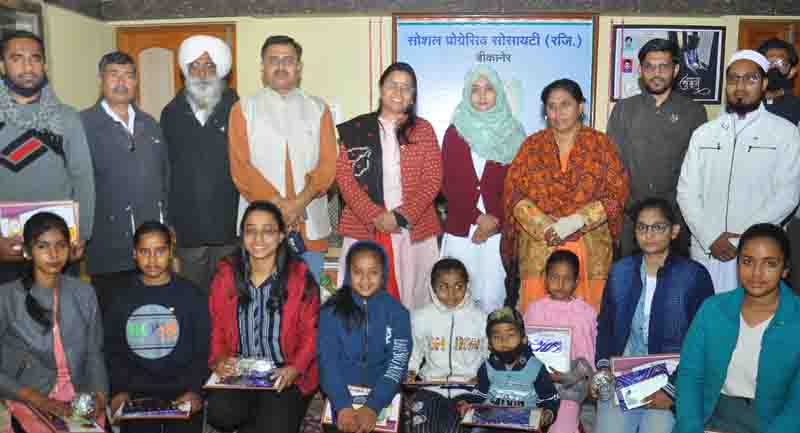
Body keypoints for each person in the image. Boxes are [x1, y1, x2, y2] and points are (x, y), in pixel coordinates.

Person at [677, 49, 800, 293]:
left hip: (757, 253)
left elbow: (788, 195)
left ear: (764, 83)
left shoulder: (785, 133)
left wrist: (742, 238)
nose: (740, 87)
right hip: (707, 249)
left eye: (750, 79)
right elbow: (686, 192)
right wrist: (710, 236)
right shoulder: (704, 133)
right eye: (733, 79)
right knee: (708, 320)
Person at [501, 78, 629, 312]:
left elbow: (617, 194)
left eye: (565, 105)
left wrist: (576, 221)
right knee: (538, 321)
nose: (558, 113)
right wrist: (545, 226)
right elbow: (514, 194)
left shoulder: (601, 145)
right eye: (552, 106)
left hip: (588, 248)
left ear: (581, 107)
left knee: (586, 322)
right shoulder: (532, 146)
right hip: (541, 245)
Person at [593, 197, 714, 433]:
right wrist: (604, 368)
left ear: (674, 231)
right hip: (623, 379)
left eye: (658, 227)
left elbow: (703, 342)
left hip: (670, 383)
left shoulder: (693, 277)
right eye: (642, 227)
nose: (649, 234)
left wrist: (672, 391)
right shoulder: (620, 272)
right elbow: (606, 325)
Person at [228, 35, 336, 282]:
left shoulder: (319, 108)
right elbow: (241, 168)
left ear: (298, 67)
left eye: (288, 60)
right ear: (263, 68)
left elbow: (329, 166)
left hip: (309, 229)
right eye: (273, 60)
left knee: (307, 308)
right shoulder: (244, 109)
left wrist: (298, 203)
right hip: (260, 230)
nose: (280, 66)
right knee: (263, 305)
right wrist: (280, 206)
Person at [206, 200, 319, 433]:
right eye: (251, 231)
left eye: (267, 231)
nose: (258, 239)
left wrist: (295, 369)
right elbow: (216, 326)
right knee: (220, 414)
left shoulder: (299, 276)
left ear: (281, 236)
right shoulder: (226, 274)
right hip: (242, 369)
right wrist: (219, 359)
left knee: (275, 426)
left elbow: (313, 333)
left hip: (284, 371)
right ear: (242, 235)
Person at [675, 223, 800, 433]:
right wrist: (692, 428)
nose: (756, 273)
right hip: (711, 416)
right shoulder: (713, 309)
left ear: (785, 269)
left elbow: (796, 404)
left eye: (770, 263)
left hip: (773, 423)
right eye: (748, 261)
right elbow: (690, 376)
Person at [336, 62, 442, 311]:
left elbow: (433, 178)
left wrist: (400, 216)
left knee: (413, 302)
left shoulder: (423, 130)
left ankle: (409, 349)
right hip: (365, 226)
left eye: (406, 87)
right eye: (393, 84)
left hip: (412, 228)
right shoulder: (357, 129)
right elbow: (344, 177)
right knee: (360, 303)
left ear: (413, 96)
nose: (399, 91)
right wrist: (375, 216)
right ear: (381, 89)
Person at [0, 30, 94, 285]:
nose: (28, 65)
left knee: (61, 319)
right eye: (17, 58)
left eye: (35, 58)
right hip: (5, 249)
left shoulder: (67, 118)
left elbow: (83, 178)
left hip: (58, 248)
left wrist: (81, 235)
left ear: (44, 64)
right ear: (3, 64)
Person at [0, 212, 106, 432]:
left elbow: (95, 353)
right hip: (29, 397)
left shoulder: (84, 293)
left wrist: (100, 396)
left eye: (61, 245)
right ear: (28, 252)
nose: (54, 253)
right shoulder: (7, 297)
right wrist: (37, 399)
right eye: (43, 246)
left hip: (79, 398)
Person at [81, 51, 169, 314]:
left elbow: (166, 178)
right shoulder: (82, 124)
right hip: (107, 245)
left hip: (150, 249)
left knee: (151, 318)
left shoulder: (150, 124)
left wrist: (169, 224)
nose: (122, 82)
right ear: (101, 79)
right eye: (114, 75)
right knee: (113, 320)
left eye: (129, 76)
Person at [103, 221, 209, 433]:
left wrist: (197, 391)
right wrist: (118, 391)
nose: (152, 259)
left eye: (160, 251)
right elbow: (112, 350)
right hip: (136, 394)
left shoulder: (191, 295)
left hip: (182, 391)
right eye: (144, 252)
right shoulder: (119, 297)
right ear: (134, 254)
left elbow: (203, 349)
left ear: (170, 252)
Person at [607, 38, 708, 258]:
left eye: (663, 66)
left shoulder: (694, 112)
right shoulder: (624, 110)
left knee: (673, 285)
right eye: (650, 66)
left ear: (676, 69)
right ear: (641, 70)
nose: (656, 73)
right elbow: (613, 168)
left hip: (675, 220)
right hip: (632, 221)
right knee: (631, 283)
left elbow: (699, 171)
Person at [440, 65, 525, 313]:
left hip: (498, 234)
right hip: (461, 229)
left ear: (498, 93)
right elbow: (449, 185)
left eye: (489, 89)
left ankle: (491, 353)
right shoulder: (455, 133)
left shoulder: (514, 133)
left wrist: (494, 220)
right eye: (475, 90)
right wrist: (478, 218)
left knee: (493, 299)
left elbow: (518, 186)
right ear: (467, 94)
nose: (482, 95)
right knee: (456, 299)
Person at [161, 35, 240, 292]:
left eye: (210, 66)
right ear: (185, 71)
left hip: (229, 224)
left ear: (221, 72)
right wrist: (168, 219)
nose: (203, 73)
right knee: (193, 295)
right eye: (195, 66)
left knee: (228, 295)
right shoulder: (171, 113)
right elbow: (165, 168)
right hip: (188, 226)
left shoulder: (237, 108)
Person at [318, 241, 412, 433]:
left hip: (383, 394)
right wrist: (342, 405)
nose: (365, 279)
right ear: (348, 273)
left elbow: (397, 363)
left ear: (383, 273)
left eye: (373, 272)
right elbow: (328, 362)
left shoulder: (397, 313)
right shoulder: (331, 311)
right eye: (358, 272)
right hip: (341, 397)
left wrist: (373, 406)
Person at [406, 258, 488, 433]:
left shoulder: (481, 319)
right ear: (433, 287)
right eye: (443, 287)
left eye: (458, 286)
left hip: (469, 390)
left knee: (457, 430)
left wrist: (484, 376)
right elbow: (415, 350)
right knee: (422, 428)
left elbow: (489, 355)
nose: (451, 294)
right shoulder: (420, 317)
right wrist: (411, 371)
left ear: (467, 285)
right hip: (430, 388)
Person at [524, 250, 597, 433]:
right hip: (534, 381)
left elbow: (588, 358)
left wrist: (572, 375)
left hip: (570, 383)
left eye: (567, 278)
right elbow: (525, 349)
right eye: (555, 277)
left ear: (577, 281)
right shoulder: (534, 310)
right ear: (545, 277)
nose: (560, 284)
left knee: (562, 426)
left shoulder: (585, 313)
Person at [457, 307, 559, 433]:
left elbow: (549, 398)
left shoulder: (536, 367)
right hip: (491, 423)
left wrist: (547, 414)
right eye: (497, 336)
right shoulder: (487, 367)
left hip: (524, 424)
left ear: (524, 339)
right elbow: (480, 395)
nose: (504, 341)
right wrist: (468, 404)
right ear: (489, 344)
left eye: (510, 335)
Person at [757, 37, 800, 126]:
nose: (774, 68)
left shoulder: (797, 106)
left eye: (781, 64)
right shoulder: (743, 103)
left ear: (792, 71)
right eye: (769, 63)